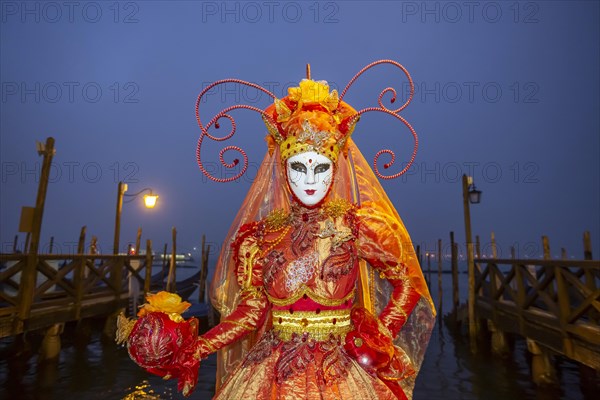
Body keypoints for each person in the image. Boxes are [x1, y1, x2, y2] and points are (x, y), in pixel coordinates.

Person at [118, 61, 435, 400]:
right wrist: (197, 348)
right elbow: (251, 312)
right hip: (270, 369)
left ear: (336, 166)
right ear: (282, 168)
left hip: (343, 368)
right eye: (298, 167)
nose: (310, 180)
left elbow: (407, 284)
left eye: (321, 167)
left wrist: (377, 336)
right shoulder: (259, 240)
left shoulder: (355, 227)